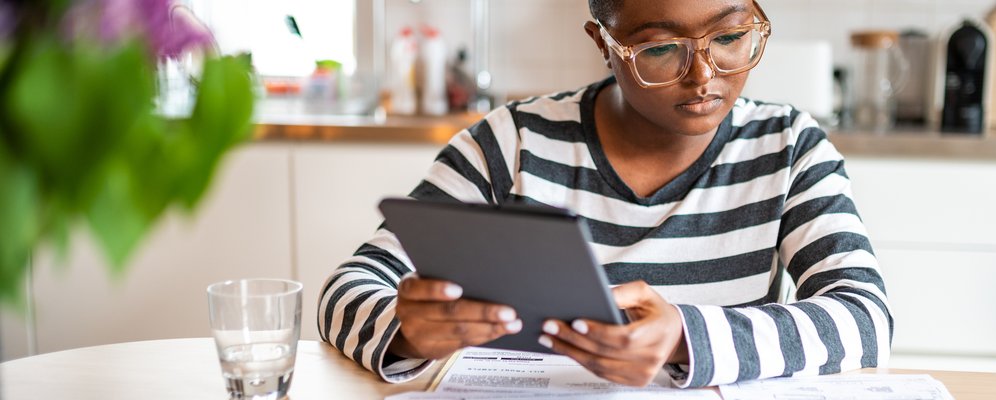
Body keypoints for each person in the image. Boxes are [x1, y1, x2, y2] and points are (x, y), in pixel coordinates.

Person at [318, 0, 892, 388]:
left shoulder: (787, 146)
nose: (703, 75)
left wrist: (684, 339)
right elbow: (346, 290)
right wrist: (404, 331)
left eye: (731, 37)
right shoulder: (514, 143)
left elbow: (865, 318)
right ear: (604, 41)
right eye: (660, 50)